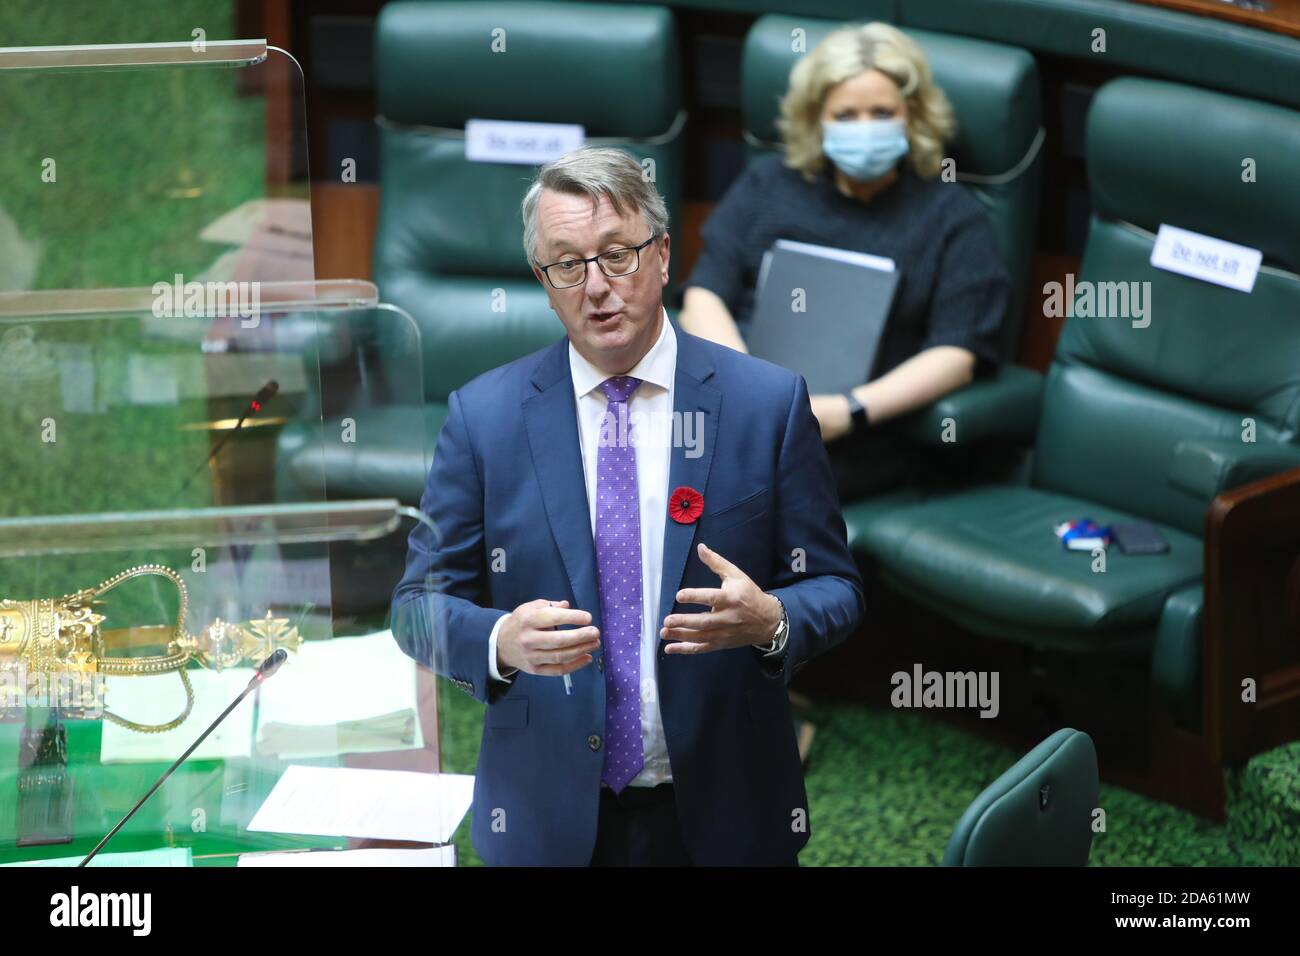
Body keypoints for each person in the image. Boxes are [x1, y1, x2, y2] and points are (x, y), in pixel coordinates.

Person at [390, 146, 863, 866]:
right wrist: (501, 642)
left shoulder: (765, 405)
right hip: (547, 811)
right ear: (543, 282)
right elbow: (414, 608)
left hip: (724, 803)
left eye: (618, 256)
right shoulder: (485, 418)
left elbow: (838, 588)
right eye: (568, 265)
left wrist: (772, 620)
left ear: (663, 255)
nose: (597, 288)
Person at [681, 22, 1008, 501]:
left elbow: (957, 354)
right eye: (845, 114)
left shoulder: (954, 216)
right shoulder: (767, 184)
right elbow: (704, 293)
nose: (864, 128)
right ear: (817, 119)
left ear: (912, 117)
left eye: (881, 112)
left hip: (856, 436)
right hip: (738, 411)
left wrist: (848, 410)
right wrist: (746, 389)